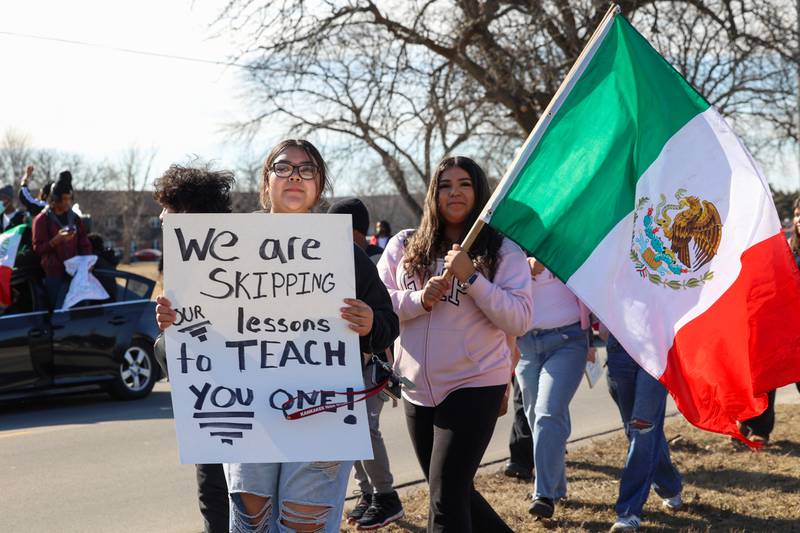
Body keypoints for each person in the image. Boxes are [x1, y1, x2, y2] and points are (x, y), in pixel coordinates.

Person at [155, 140, 399, 533]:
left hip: (323, 412)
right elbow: (187, 339)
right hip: (249, 415)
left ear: (319, 184)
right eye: (283, 168)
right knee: (252, 526)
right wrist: (172, 323)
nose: (294, 177)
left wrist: (371, 323)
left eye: (307, 170)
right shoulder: (225, 244)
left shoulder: (342, 251)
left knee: (303, 526)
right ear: (266, 180)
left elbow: (389, 324)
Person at [377, 155, 533, 533]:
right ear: (434, 195)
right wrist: (418, 300)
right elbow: (377, 304)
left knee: (446, 498)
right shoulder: (405, 245)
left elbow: (519, 318)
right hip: (417, 388)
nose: (454, 192)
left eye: (464, 184)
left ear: (478, 192)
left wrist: (473, 279)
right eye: (445, 185)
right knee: (449, 490)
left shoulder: (502, 251)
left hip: (474, 382)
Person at [151, 163, 237, 533]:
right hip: (208, 416)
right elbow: (175, 356)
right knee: (215, 504)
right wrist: (168, 335)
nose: (161, 216)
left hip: (253, 420)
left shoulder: (245, 266)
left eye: (170, 208)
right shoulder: (177, 275)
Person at [327, 197, 404, 529]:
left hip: (370, 363)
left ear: (354, 230)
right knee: (349, 432)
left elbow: (387, 317)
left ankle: (387, 495)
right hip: (339, 366)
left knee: (365, 431)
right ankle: (367, 493)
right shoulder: (329, 259)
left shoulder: (369, 260)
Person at [514, 258, 592, 519]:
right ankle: (556, 486)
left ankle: (543, 495)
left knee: (548, 412)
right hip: (525, 345)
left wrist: (592, 338)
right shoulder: (512, 247)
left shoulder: (568, 240)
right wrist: (525, 269)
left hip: (568, 341)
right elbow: (496, 284)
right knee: (537, 418)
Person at [604, 331, 683, 532]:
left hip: (657, 351)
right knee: (640, 433)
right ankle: (670, 486)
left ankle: (628, 512)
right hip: (619, 349)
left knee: (643, 430)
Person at [31, 170, 91, 308]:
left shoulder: (74, 218)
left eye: (69, 198)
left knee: (80, 309)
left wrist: (88, 261)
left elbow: (84, 242)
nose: (67, 202)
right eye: (63, 199)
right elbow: (38, 248)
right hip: (54, 272)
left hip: (76, 272)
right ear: (55, 198)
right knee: (59, 310)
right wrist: (55, 240)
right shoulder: (41, 220)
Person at [504, 375, 534, 481]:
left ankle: (521, 463)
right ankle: (520, 460)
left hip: (531, 360)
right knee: (524, 403)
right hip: (513, 363)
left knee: (524, 403)